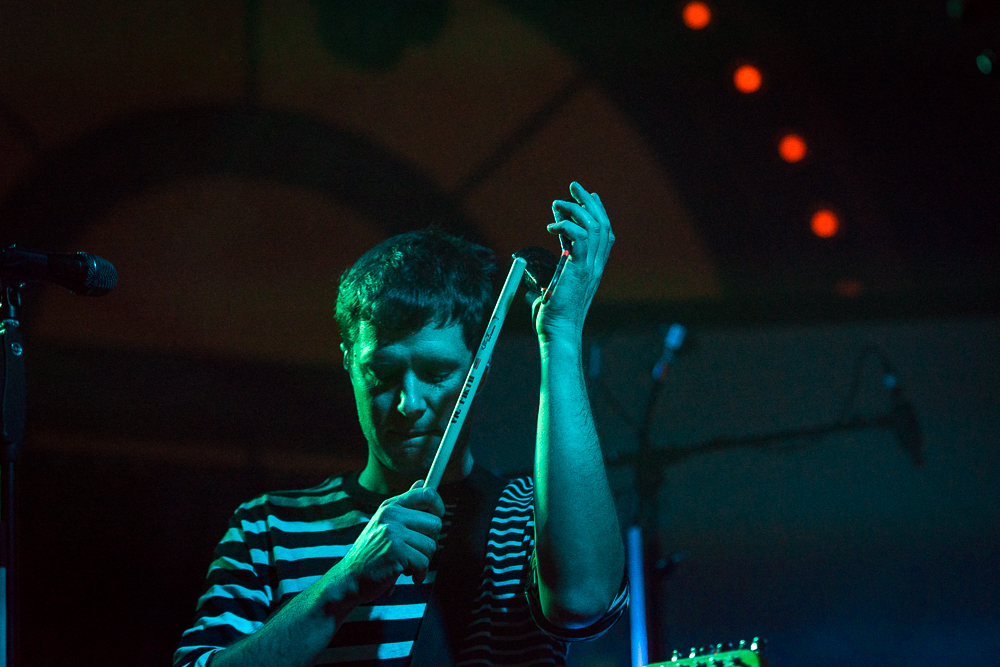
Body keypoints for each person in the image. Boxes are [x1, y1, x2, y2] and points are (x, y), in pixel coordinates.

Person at [174, 182, 627, 667]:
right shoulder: (266, 525)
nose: (409, 403)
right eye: (383, 374)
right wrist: (341, 585)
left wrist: (559, 333)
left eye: (436, 374)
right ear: (349, 364)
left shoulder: (527, 517)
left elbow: (583, 600)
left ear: (481, 372)